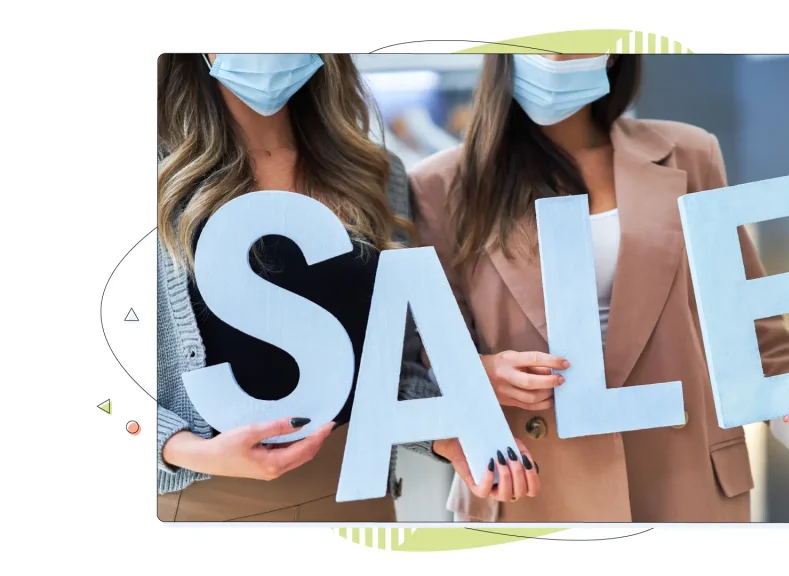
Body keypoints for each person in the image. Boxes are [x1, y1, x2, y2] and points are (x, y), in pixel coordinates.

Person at [409, 53, 789, 522]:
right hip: (532, 489)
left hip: (685, 479)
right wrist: (476, 373)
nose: (558, 53)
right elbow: (430, 349)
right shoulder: (439, 186)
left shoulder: (690, 152)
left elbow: (749, 326)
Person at [156, 53, 536, 521]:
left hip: (356, 494)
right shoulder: (149, 178)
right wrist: (182, 448)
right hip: (207, 503)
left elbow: (385, 369)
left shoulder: (375, 174)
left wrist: (444, 429)